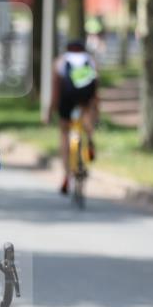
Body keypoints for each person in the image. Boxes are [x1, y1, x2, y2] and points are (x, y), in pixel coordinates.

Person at [50, 39, 99, 194]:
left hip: (66, 99)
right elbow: (95, 89)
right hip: (85, 98)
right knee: (86, 116)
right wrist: (96, 109)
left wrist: (51, 109)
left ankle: (66, 175)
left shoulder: (61, 62)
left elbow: (56, 89)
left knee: (64, 132)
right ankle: (90, 139)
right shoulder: (90, 61)